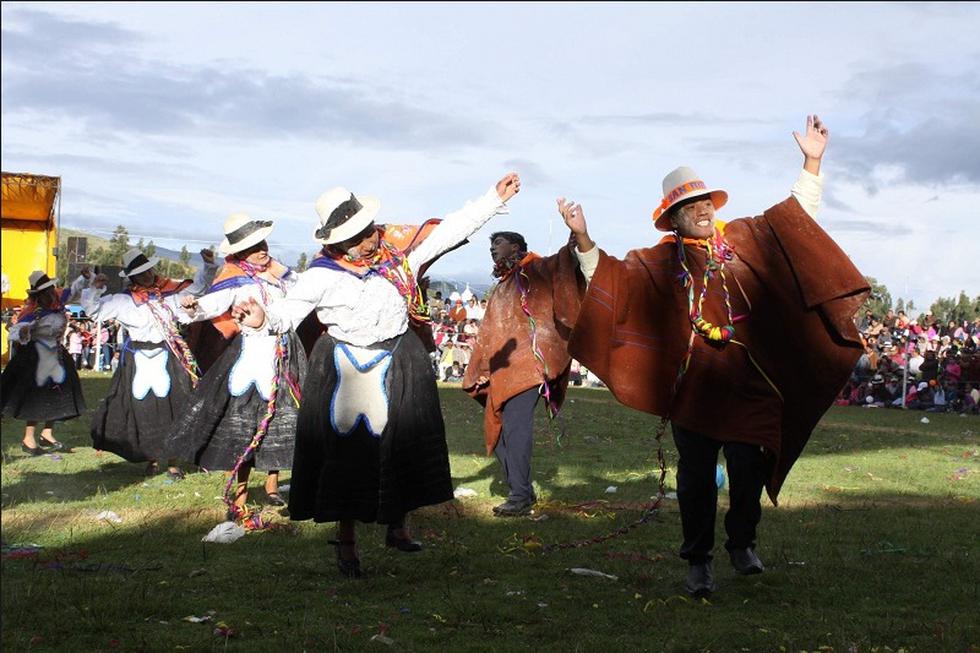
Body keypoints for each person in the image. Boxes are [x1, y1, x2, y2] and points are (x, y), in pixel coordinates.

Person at [560, 115, 869, 597]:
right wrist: (583, 237)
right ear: (673, 217)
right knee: (696, 480)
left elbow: (795, 222)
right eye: (690, 204)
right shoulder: (658, 262)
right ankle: (697, 561)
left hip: (752, 385)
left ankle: (742, 543)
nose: (702, 209)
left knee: (748, 470)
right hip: (695, 393)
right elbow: (609, 279)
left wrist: (811, 161)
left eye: (705, 200)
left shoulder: (745, 239)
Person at [234, 173, 521, 578]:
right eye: (360, 237)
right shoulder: (320, 275)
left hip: (400, 358)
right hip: (345, 367)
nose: (371, 240)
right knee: (346, 457)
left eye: (368, 230)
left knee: (403, 445)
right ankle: (346, 542)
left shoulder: (399, 261)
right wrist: (263, 317)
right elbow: (286, 313)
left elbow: (449, 231)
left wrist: (492, 199)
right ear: (338, 243)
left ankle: (398, 527)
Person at [168, 214, 307, 520]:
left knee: (284, 421)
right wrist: (194, 307)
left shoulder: (280, 274)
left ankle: (272, 485)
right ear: (241, 253)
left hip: (286, 354)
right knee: (246, 423)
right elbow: (213, 304)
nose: (262, 250)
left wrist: (292, 272)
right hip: (253, 356)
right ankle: (241, 493)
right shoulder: (233, 277)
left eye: (263, 244)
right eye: (254, 247)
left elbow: (306, 293)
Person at [461, 230, 583, 516]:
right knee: (498, 431)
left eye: (498, 243)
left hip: (529, 368)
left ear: (515, 246)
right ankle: (521, 490)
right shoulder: (503, 285)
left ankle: (519, 495)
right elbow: (491, 333)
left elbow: (563, 265)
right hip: (504, 371)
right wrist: (482, 368)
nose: (492, 248)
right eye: (491, 244)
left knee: (515, 429)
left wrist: (574, 240)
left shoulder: (534, 269)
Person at [81, 247, 217, 479]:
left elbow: (197, 289)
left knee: (175, 406)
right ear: (132, 277)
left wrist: (208, 266)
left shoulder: (168, 297)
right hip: (138, 359)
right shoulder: (123, 302)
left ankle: (173, 463)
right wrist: (94, 288)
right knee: (144, 410)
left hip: (169, 355)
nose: (148, 275)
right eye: (141, 273)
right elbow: (94, 311)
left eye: (149, 270)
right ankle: (151, 459)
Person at [2, 271, 88, 454]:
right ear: (38, 295)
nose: (52, 293)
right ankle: (29, 439)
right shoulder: (33, 313)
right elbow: (15, 332)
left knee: (59, 393)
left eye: (51, 289)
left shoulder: (57, 303)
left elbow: (72, 290)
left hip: (58, 355)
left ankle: (47, 433)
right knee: (36, 397)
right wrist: (24, 332)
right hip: (37, 357)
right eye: (47, 291)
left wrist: (84, 278)